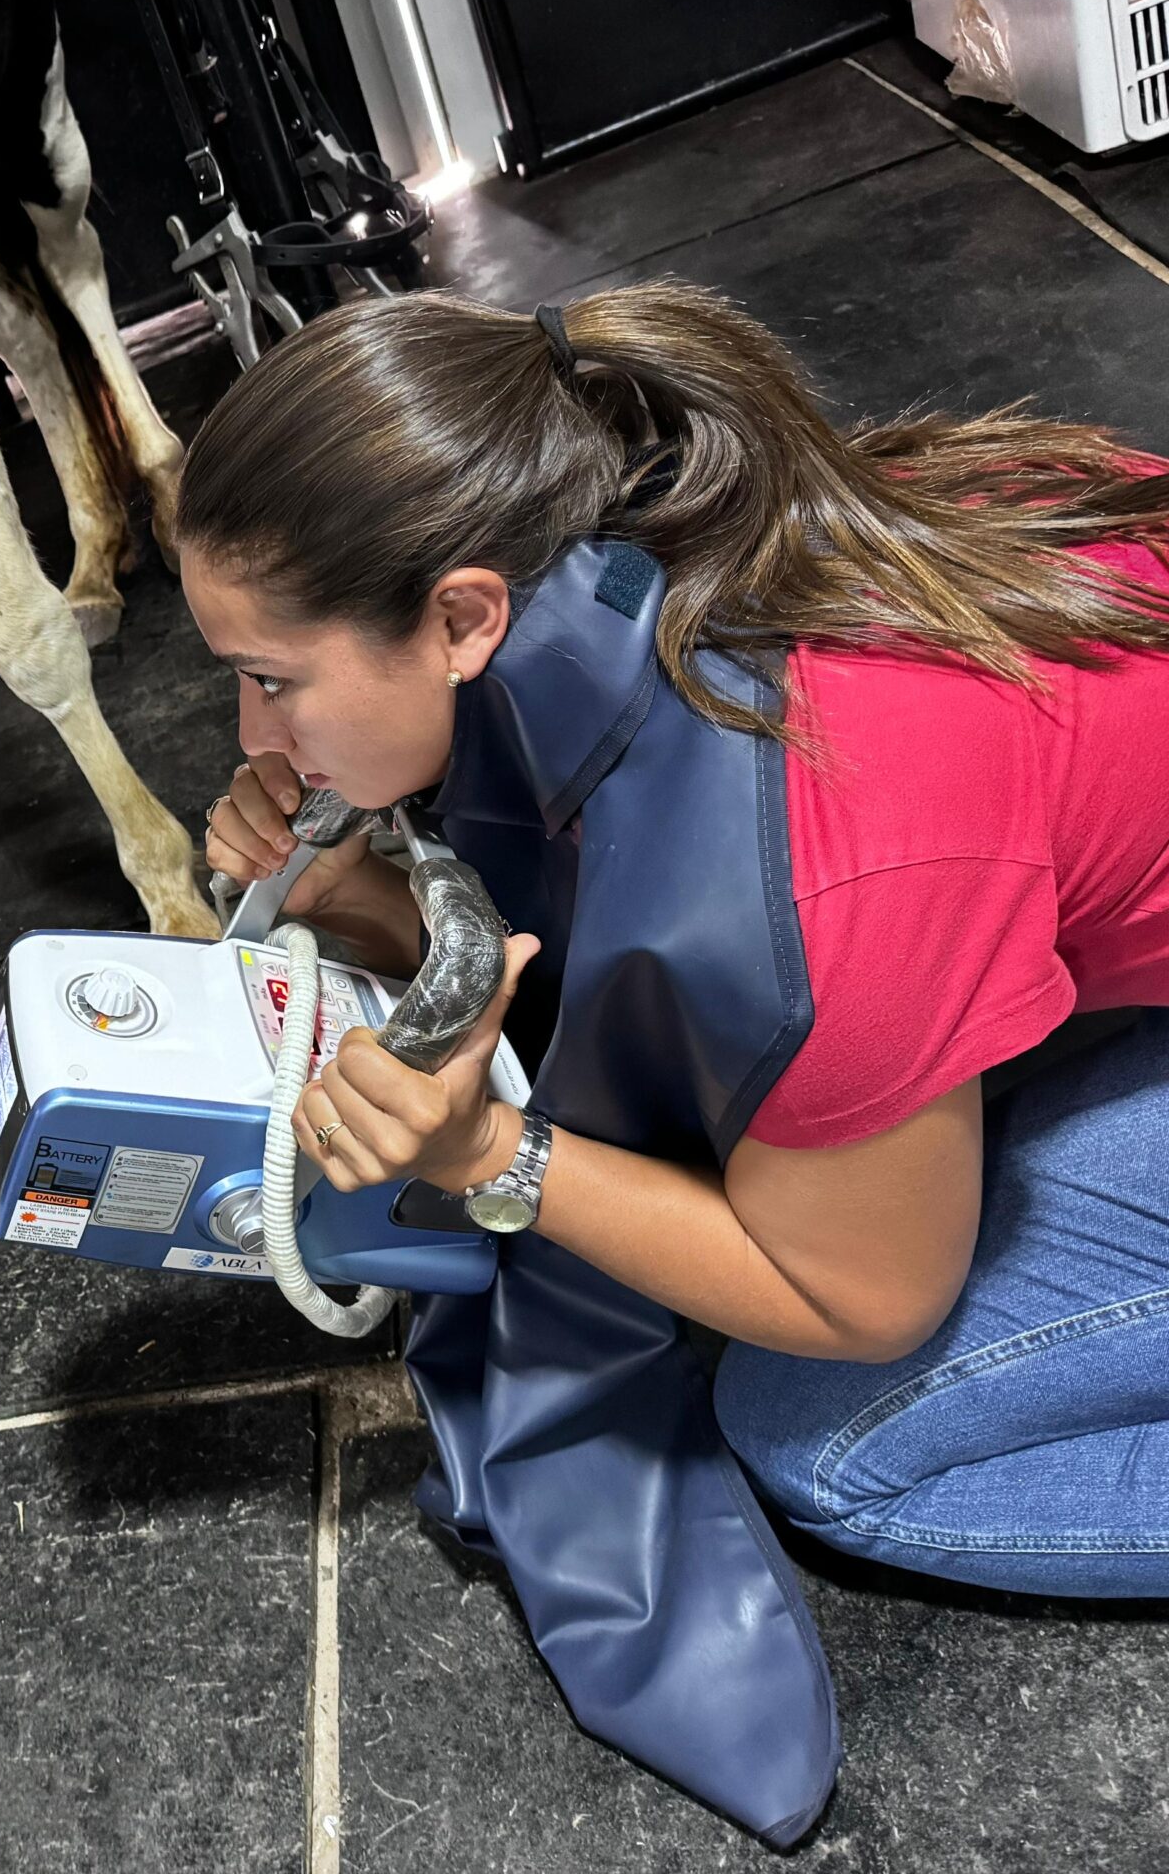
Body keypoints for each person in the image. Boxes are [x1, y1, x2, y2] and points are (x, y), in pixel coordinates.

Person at [179, 281, 1169, 1841]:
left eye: (273, 679)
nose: (254, 735)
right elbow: (644, 890)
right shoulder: (681, 528)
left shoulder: (838, 852)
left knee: (823, 1441)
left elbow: (866, 1297)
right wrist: (373, 904)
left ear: (459, 616)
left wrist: (491, 1164)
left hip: (914, 900)